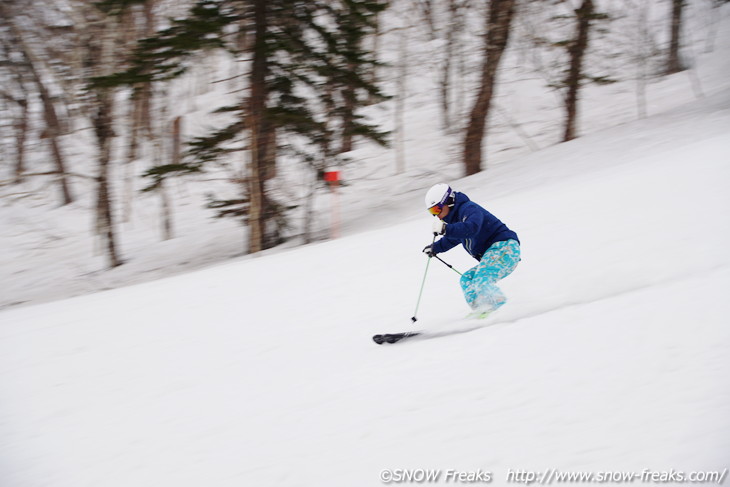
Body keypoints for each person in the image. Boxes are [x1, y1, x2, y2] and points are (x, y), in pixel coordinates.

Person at [423, 183, 520, 318]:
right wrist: (436, 247)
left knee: (482, 278)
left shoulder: (469, 209)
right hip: (494, 253)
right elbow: (454, 238)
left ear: (449, 201)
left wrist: (446, 230)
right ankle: (480, 310)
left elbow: (471, 228)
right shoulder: (455, 220)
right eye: (432, 212)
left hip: (505, 248)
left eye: (437, 209)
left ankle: (499, 308)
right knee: (467, 279)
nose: (437, 216)